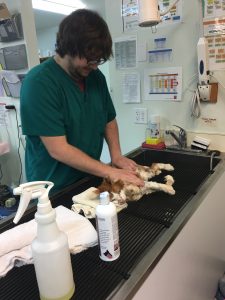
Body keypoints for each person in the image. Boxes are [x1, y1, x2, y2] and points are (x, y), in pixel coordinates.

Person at [20, 9, 143, 194]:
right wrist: (109, 171)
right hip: (53, 189)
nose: (94, 66)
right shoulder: (39, 83)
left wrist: (116, 156)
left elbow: (109, 119)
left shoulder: (95, 77)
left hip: (88, 178)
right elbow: (58, 149)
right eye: (89, 59)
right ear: (69, 48)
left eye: (98, 60)